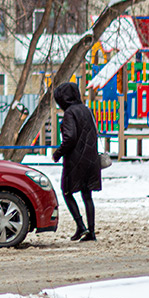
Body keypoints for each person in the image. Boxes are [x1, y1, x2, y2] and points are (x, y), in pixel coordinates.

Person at [52, 82, 102, 241]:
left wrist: (58, 153)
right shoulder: (86, 110)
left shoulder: (69, 113)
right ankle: (91, 232)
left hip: (75, 161)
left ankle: (81, 226)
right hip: (91, 159)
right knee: (87, 195)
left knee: (66, 191)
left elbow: (70, 138)